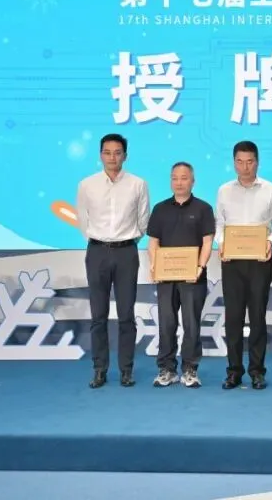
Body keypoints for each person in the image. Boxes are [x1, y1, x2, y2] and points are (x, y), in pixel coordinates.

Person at [75, 133, 150, 389]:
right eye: (107, 152)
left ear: (125, 156)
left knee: (126, 314)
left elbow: (143, 221)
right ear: (100, 155)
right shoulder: (87, 185)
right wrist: (99, 241)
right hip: (97, 251)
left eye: (117, 153)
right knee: (99, 315)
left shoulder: (138, 184)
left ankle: (126, 370)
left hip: (126, 252)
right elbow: (83, 220)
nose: (112, 157)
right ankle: (99, 369)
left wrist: (125, 241)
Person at [215, 140, 272, 390]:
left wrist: (270, 241)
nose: (245, 167)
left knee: (257, 317)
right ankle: (234, 371)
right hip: (232, 262)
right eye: (240, 162)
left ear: (257, 162)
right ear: (234, 162)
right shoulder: (224, 190)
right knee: (233, 317)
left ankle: (257, 371)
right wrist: (222, 243)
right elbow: (219, 223)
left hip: (259, 261)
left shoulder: (271, 189)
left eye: (250, 162)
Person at [146, 162, 216, 389]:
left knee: (191, 323)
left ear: (192, 181)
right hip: (166, 277)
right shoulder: (160, 209)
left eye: (184, 178)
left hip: (193, 277)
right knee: (166, 322)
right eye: (175, 178)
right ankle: (167, 369)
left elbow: (207, 242)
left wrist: (200, 267)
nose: (179, 182)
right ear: (170, 181)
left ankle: (190, 369)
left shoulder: (203, 209)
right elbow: (153, 242)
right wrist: (155, 266)